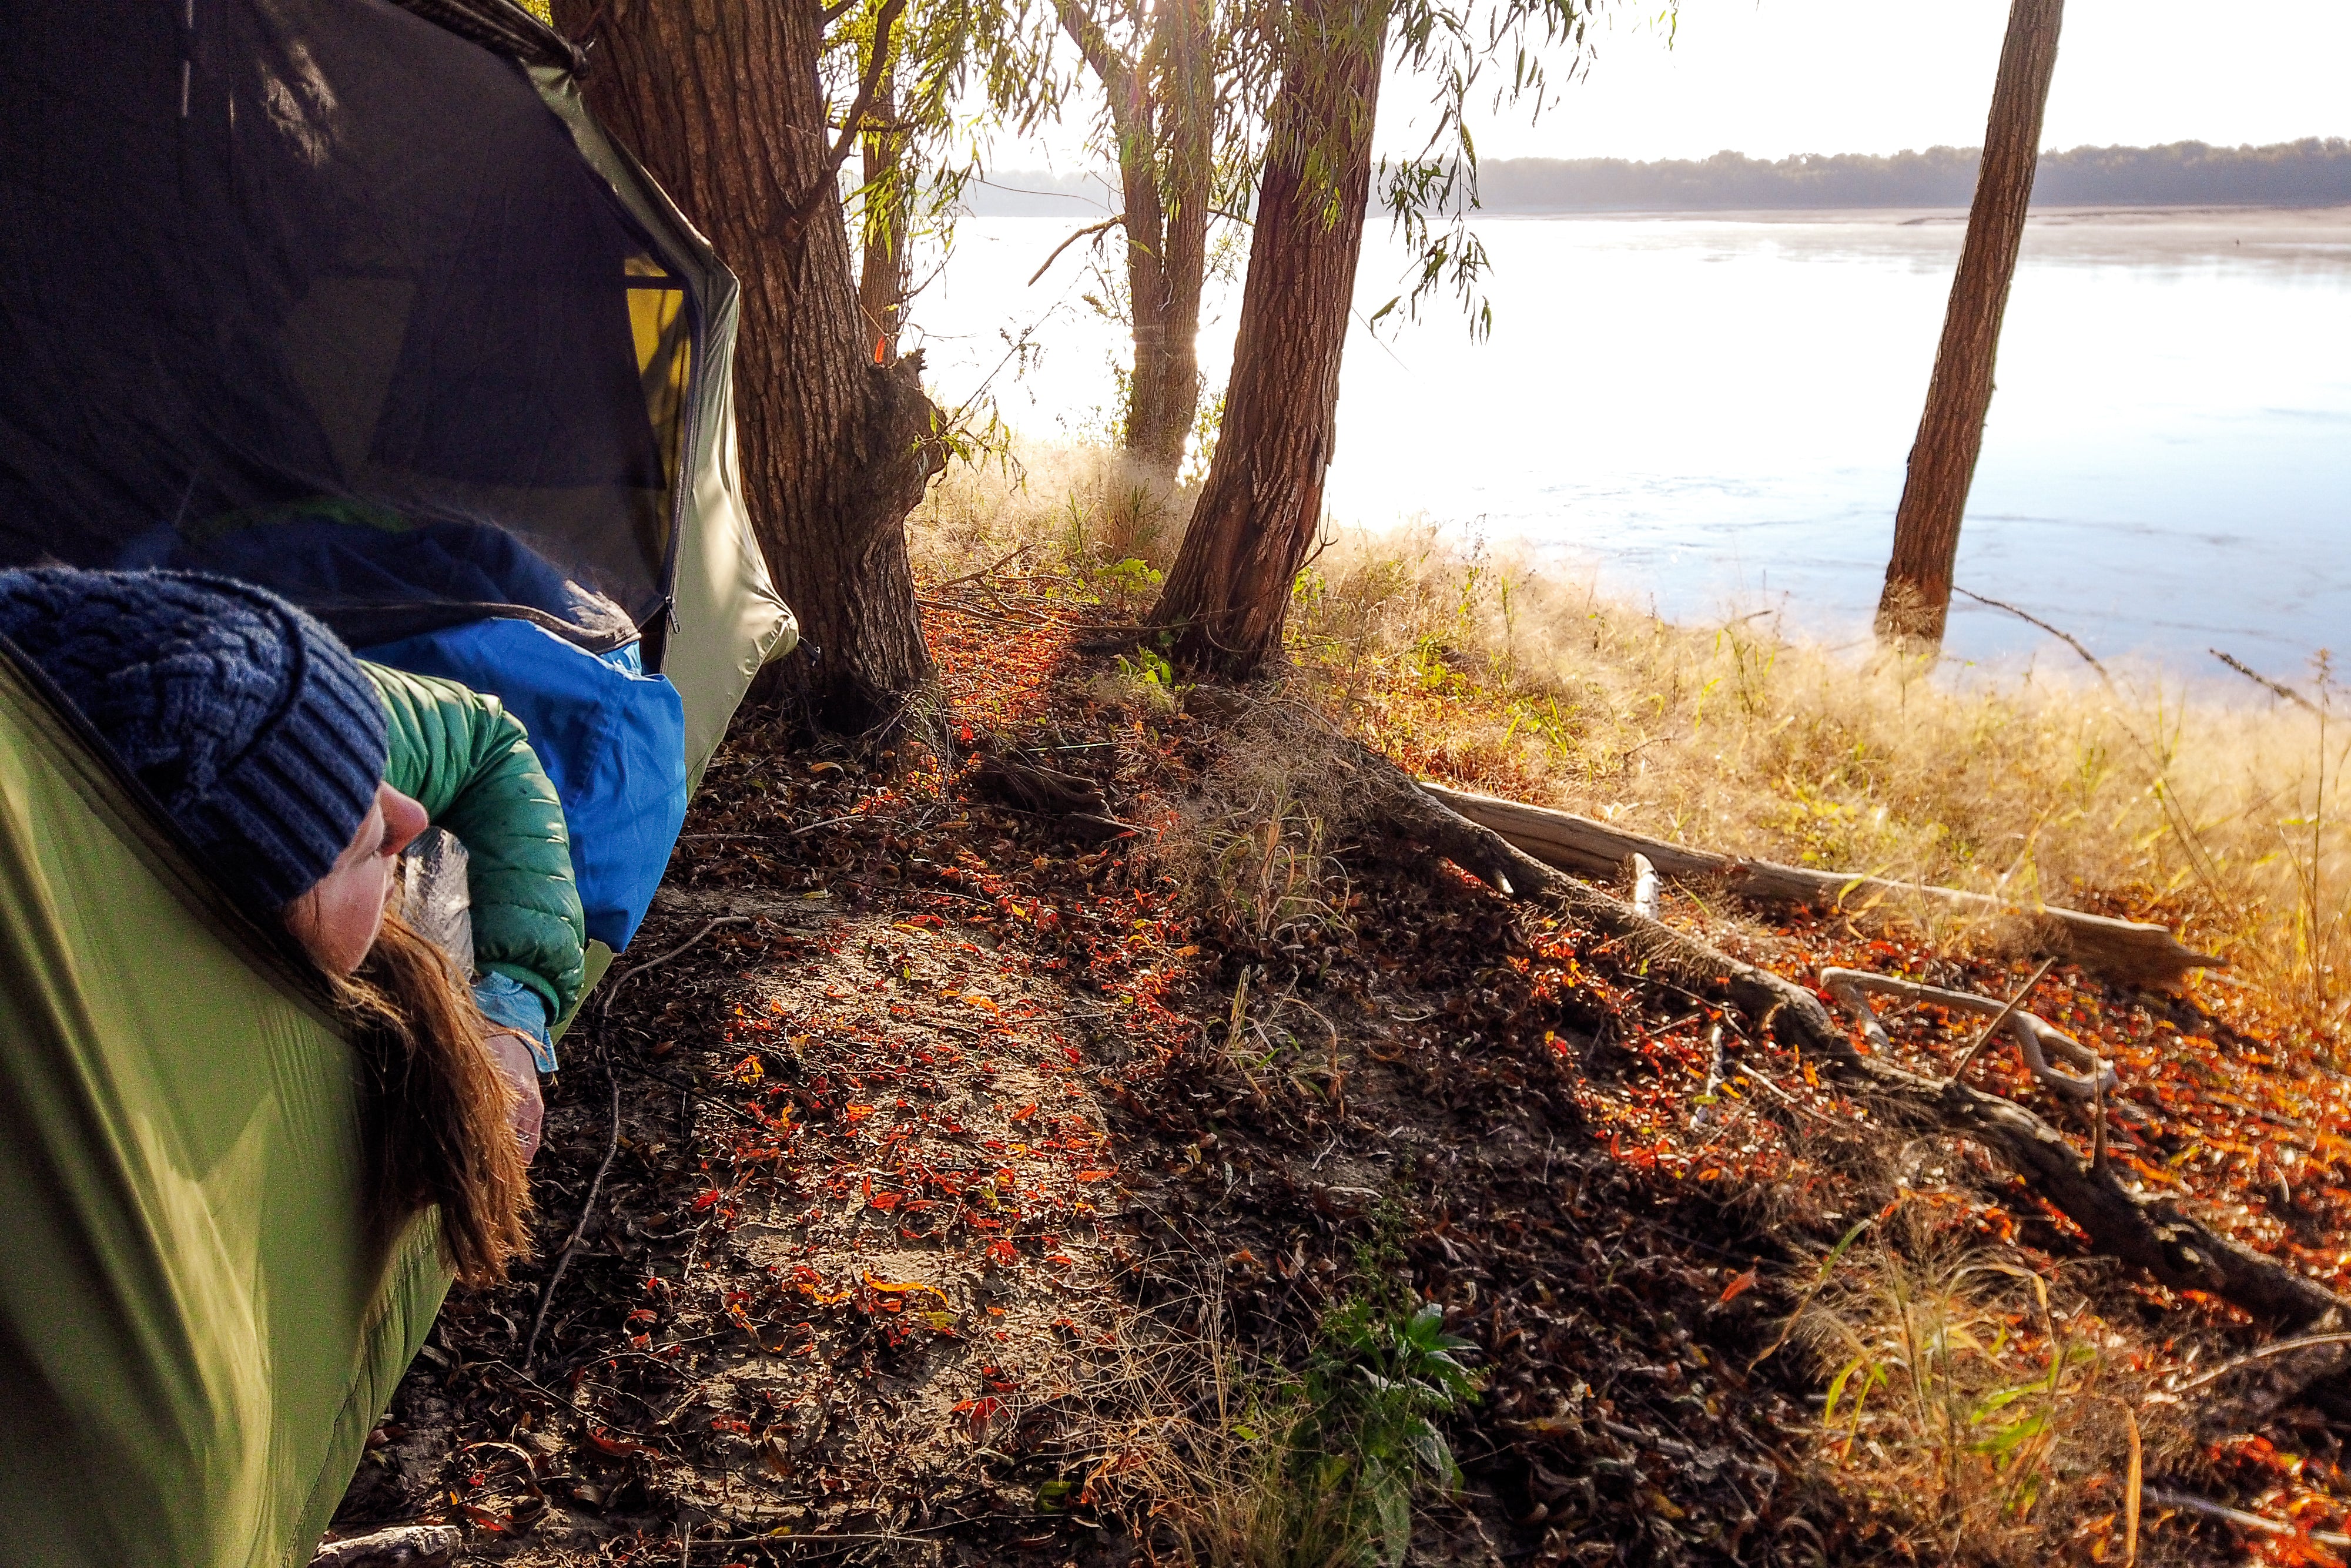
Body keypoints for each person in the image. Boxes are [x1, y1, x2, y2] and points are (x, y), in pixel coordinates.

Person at [0, 567, 588, 1286]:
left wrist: (512, 1005)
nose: (410, 817)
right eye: (365, 845)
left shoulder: (307, 719)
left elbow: (491, 741)